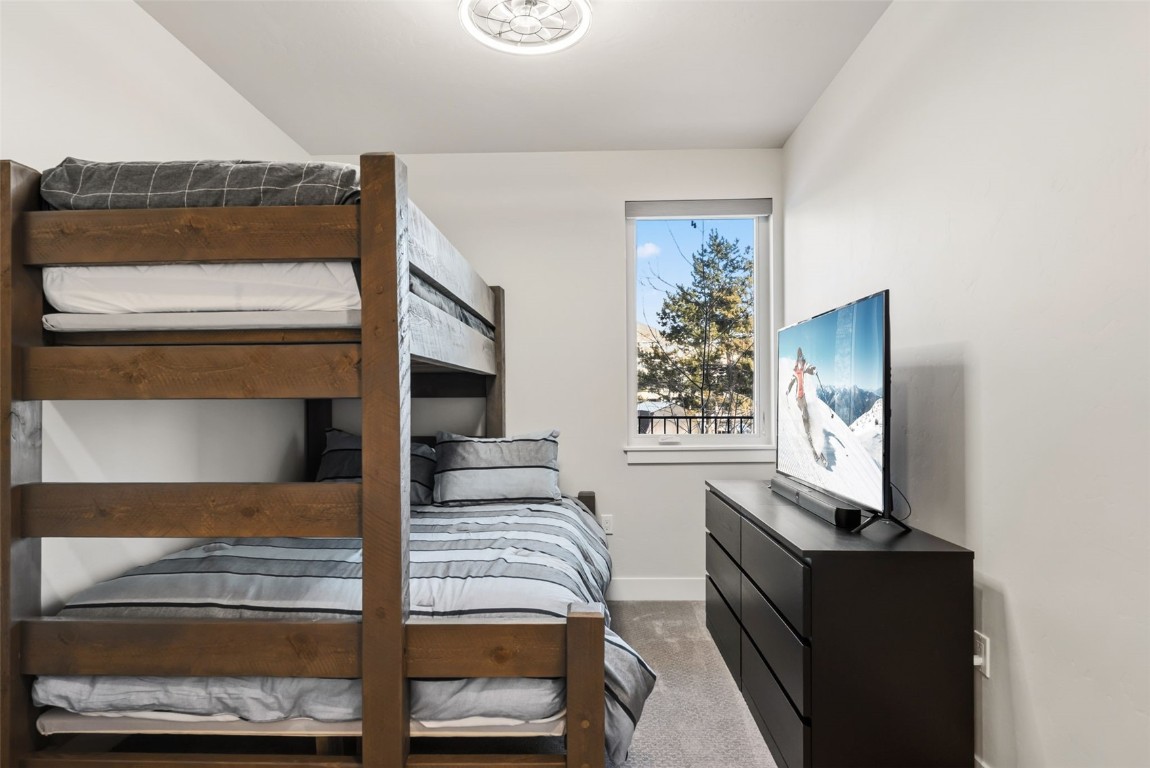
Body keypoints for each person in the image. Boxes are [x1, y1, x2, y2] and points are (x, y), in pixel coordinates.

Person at [786, 347, 826, 466]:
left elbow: (810, 368)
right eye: (799, 359)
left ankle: (811, 431)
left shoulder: (804, 367)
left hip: (804, 397)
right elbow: (791, 382)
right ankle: (808, 433)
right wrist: (787, 389)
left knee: (808, 416)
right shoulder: (795, 371)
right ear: (796, 360)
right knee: (805, 416)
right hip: (798, 399)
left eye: (802, 359)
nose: (801, 361)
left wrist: (814, 370)